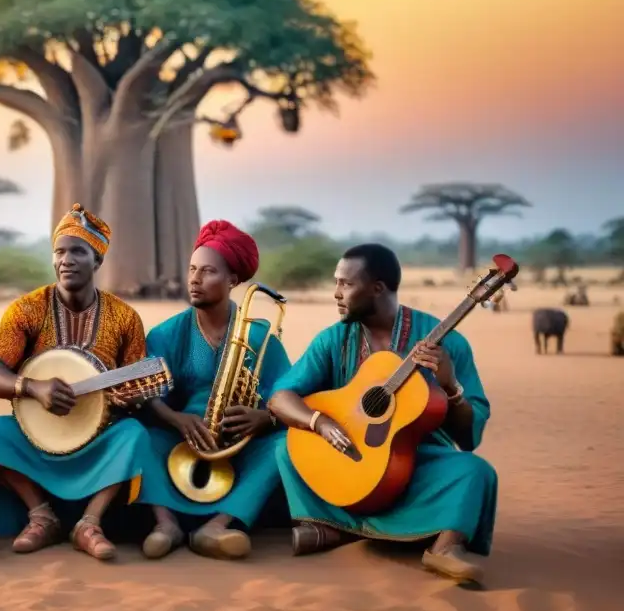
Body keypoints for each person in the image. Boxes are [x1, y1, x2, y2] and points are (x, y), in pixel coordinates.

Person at [268, 243, 497, 584]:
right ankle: (326, 524)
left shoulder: (449, 343)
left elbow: (469, 437)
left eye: (346, 284)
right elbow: (280, 397)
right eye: (336, 283)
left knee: (476, 472)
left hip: (416, 464)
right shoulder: (334, 339)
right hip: (351, 457)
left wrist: (451, 387)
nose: (336, 293)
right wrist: (320, 422)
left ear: (377, 288)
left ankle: (444, 549)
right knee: (286, 445)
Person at [0, 203, 150, 562]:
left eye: (78, 252)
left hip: (97, 443)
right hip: (35, 442)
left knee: (134, 435)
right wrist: (32, 388)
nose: (66, 260)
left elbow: (138, 387)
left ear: (97, 261)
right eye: (59, 252)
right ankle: (41, 516)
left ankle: (89, 523)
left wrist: (130, 399)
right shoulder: (27, 309)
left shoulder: (125, 318)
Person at [137, 221, 291, 560]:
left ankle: (218, 526)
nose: (194, 278)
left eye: (207, 271)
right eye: (192, 269)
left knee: (284, 445)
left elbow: (287, 397)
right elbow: (148, 395)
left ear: (233, 280)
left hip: (240, 444)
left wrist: (263, 418)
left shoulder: (261, 336)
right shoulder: (167, 333)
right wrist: (176, 419)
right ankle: (165, 524)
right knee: (136, 435)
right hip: (180, 438)